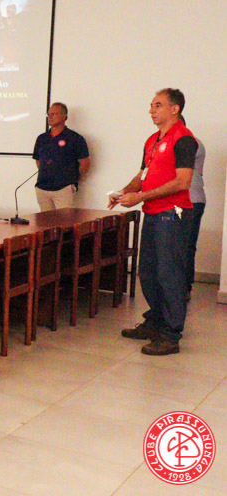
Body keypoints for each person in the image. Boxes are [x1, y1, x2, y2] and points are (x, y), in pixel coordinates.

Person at [109, 88, 196, 356]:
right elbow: (143, 175)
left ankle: (170, 335)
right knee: (147, 271)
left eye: (158, 105)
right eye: (151, 105)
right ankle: (155, 322)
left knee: (170, 274)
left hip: (172, 214)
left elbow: (183, 182)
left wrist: (140, 197)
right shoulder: (152, 140)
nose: (151, 111)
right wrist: (125, 192)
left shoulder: (184, 139)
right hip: (153, 212)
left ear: (175, 109)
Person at [32, 102, 90, 211]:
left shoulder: (75, 138)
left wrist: (71, 180)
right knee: (45, 220)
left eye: (54, 114)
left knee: (64, 220)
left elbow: (85, 163)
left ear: (65, 116)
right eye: (49, 114)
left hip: (63, 189)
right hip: (42, 188)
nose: (50, 117)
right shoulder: (42, 138)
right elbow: (38, 161)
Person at [181, 116, 205, 300]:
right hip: (178, 201)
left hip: (192, 200)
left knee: (187, 245)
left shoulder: (191, 143)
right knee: (175, 245)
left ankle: (184, 287)